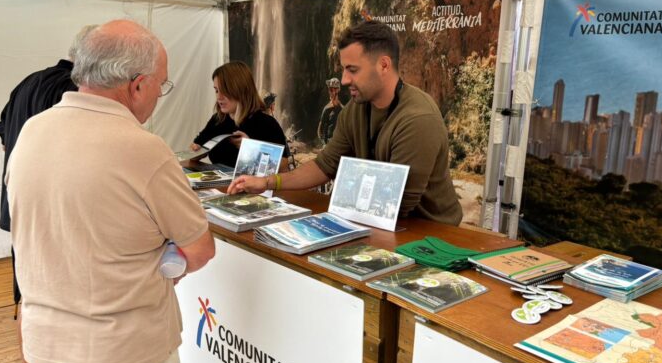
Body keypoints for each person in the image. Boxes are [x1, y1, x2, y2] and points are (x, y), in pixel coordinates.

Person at [6, 20, 215, 363]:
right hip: (124, 346)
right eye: (162, 85)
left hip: (48, 341)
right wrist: (165, 257)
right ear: (137, 85)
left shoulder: (32, 132)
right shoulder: (144, 149)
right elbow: (200, 249)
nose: (160, 95)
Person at [229, 20, 463, 225]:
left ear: (383, 65)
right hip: (383, 224)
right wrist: (267, 182)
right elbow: (325, 165)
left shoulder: (417, 119)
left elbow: (397, 206)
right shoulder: (355, 109)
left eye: (352, 70)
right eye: (343, 70)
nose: (343, 80)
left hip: (429, 233)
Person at [0, 24, 95, 363]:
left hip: (20, 209)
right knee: (66, 302)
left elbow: (4, 136)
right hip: (60, 215)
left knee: (28, 298)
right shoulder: (73, 93)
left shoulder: (28, 82)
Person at [189, 61, 289, 169]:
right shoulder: (217, 120)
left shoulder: (266, 123)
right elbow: (195, 149)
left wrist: (250, 148)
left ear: (240, 89)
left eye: (224, 91)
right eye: (217, 90)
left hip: (255, 185)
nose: (219, 97)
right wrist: (196, 151)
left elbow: (284, 165)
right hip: (221, 184)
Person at [317, 77, 343, 145]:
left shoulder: (343, 109)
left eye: (331, 89)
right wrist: (324, 144)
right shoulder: (327, 109)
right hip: (329, 143)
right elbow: (320, 129)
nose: (330, 92)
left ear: (337, 90)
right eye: (329, 89)